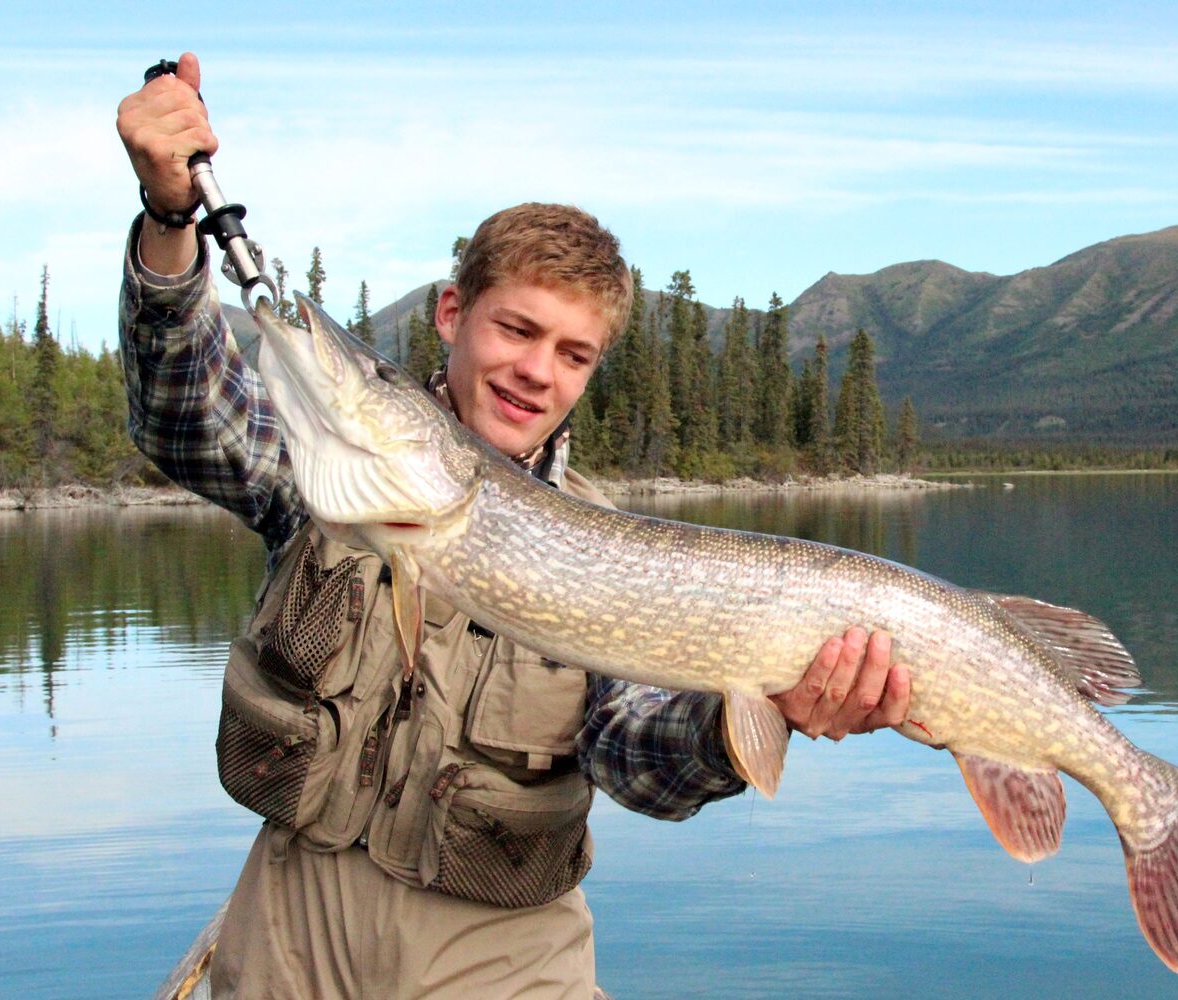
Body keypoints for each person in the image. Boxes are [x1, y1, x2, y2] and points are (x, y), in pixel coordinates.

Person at [117, 52, 911, 1000]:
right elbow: (184, 413)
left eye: (574, 353)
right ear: (453, 314)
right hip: (288, 944)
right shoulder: (331, 479)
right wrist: (171, 222)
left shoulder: (605, 545)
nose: (539, 371)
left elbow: (637, 761)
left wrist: (766, 713)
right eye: (517, 331)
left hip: (503, 967)